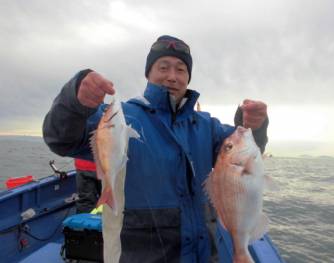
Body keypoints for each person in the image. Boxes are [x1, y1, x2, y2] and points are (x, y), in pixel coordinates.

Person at [43, 35, 268, 263]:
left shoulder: (206, 126)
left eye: (181, 70)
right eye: (163, 67)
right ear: (148, 74)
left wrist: (253, 126)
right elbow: (61, 139)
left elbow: (246, 153)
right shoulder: (120, 117)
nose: (172, 76)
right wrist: (74, 102)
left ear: (188, 77)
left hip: (203, 254)